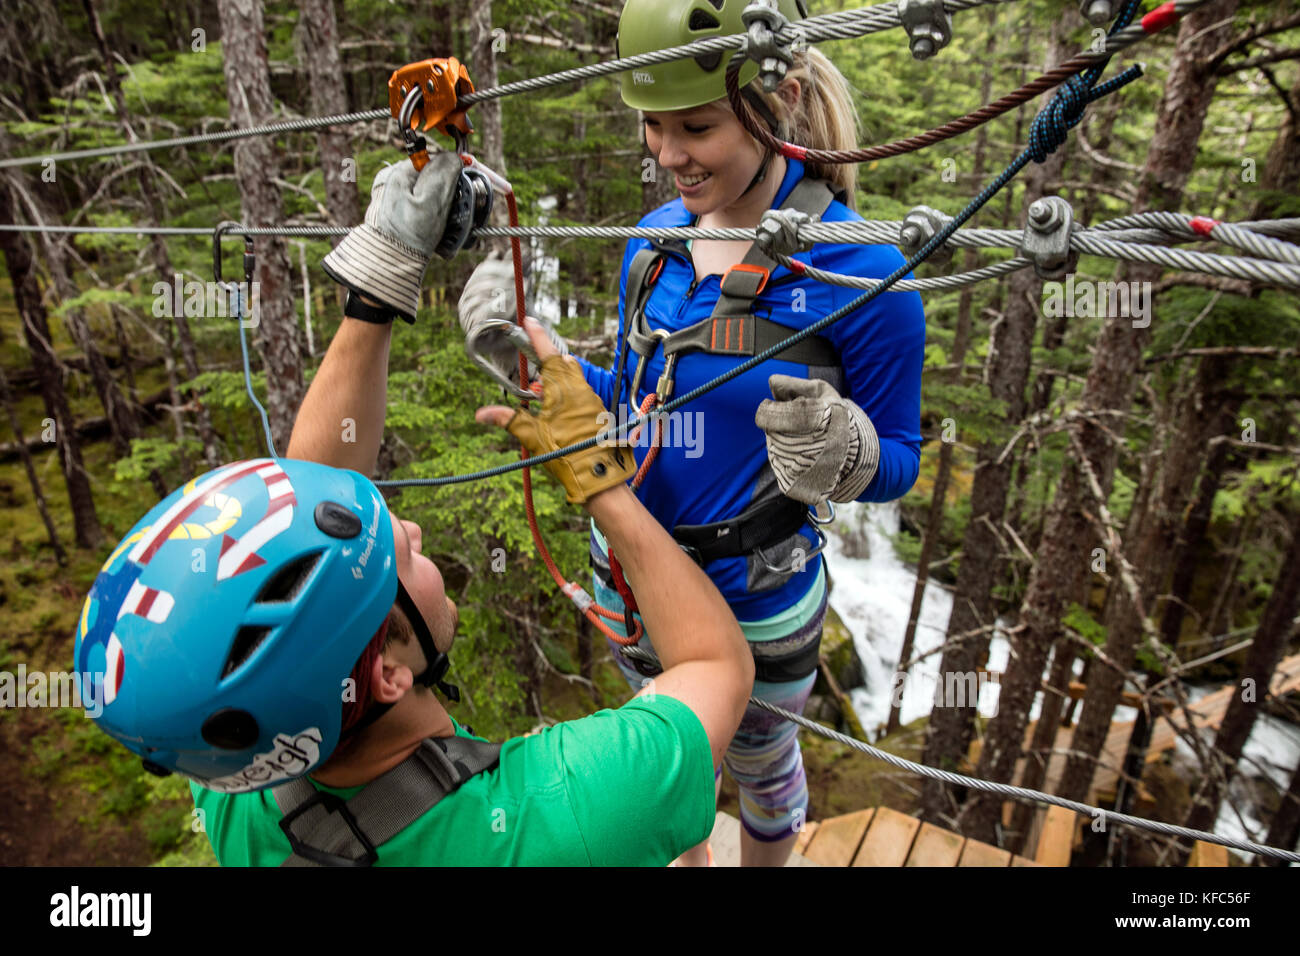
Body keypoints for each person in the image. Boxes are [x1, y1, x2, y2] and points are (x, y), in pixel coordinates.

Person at [73, 153, 755, 866]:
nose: (413, 528)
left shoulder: (236, 761)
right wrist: (596, 474)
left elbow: (307, 498)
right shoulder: (558, 817)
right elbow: (716, 665)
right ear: (389, 677)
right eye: (399, 558)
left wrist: (381, 283)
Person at [458, 0, 925, 866]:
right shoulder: (655, 242)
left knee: (763, 766)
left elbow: (900, 458)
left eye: (697, 126)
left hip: (758, 595)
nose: (669, 155)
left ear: (777, 96)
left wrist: (849, 456)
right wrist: (544, 363)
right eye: (653, 125)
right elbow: (642, 402)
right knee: (671, 767)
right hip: (636, 577)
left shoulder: (864, 270)